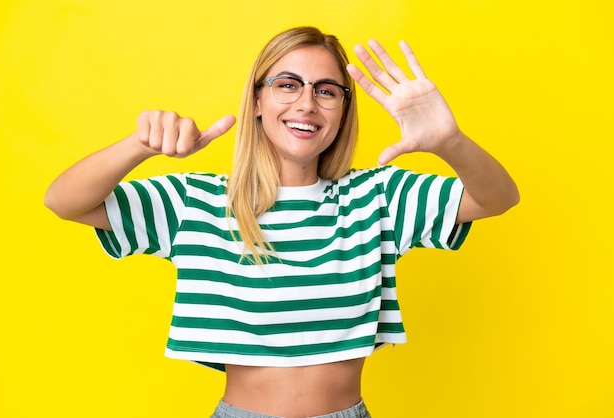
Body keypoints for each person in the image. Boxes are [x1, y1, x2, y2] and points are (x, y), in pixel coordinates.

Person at [45, 26, 519, 418]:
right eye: (287, 84)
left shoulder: (376, 196)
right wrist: (139, 146)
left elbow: (497, 198)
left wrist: (450, 141)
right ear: (256, 100)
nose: (307, 103)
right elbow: (63, 202)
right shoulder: (200, 202)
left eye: (326, 91)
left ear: (342, 112)